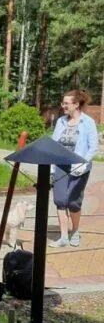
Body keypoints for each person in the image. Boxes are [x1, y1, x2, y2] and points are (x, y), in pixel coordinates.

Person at [49, 89, 98, 248]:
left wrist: (83, 163)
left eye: (66, 103)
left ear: (76, 105)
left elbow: (93, 147)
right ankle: (63, 237)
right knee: (60, 201)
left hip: (79, 167)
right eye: (63, 103)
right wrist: (51, 167)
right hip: (61, 166)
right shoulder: (61, 121)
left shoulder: (88, 122)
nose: (63, 106)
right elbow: (54, 145)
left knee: (73, 202)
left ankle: (75, 231)